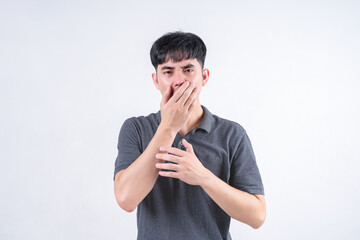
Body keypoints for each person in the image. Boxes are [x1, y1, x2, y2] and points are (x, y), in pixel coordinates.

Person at [113, 31, 266, 240]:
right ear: (156, 80)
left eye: (188, 70)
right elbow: (126, 199)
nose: (178, 81)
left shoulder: (232, 134)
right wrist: (168, 127)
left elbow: (257, 216)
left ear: (204, 77)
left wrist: (203, 177)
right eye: (168, 71)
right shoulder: (136, 128)